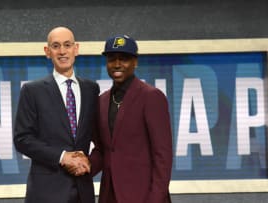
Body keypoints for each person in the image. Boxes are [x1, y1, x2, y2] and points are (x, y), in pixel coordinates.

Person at [13, 26, 99, 203]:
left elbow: (99, 136)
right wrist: (62, 156)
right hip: (47, 192)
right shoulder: (32, 91)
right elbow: (23, 139)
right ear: (47, 51)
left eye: (67, 45)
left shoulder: (91, 89)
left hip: (83, 191)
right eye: (56, 46)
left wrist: (89, 162)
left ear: (76, 49)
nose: (62, 51)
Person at [89, 35, 173, 203]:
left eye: (124, 59)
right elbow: (102, 150)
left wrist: (155, 199)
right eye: (112, 59)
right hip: (109, 195)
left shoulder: (151, 97)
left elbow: (162, 156)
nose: (117, 64)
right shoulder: (101, 101)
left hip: (144, 196)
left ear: (135, 62)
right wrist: (83, 166)